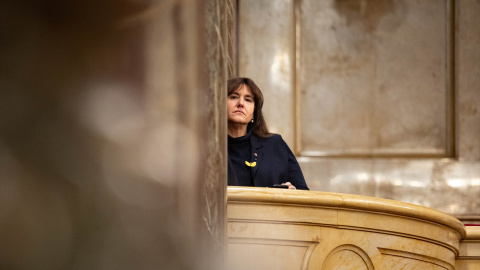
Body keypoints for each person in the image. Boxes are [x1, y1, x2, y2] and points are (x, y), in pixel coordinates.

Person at [227, 77, 309, 190]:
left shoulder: (275, 144)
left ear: (254, 112)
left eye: (248, 100)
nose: (240, 103)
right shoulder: (206, 148)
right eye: (234, 97)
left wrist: (292, 193)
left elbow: (303, 192)